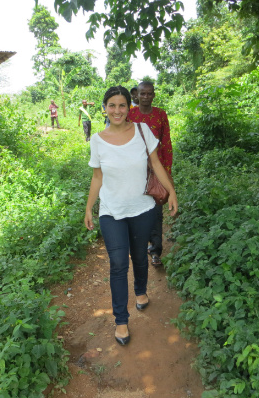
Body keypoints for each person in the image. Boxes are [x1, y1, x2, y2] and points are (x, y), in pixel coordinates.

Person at [84, 86, 178, 346]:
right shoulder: (97, 140)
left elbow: (156, 164)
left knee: (139, 256)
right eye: (111, 105)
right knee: (117, 263)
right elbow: (97, 177)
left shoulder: (142, 131)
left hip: (142, 208)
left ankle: (140, 290)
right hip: (111, 212)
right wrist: (89, 208)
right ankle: (121, 320)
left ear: (129, 107)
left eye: (122, 105)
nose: (117, 110)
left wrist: (171, 191)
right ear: (105, 107)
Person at [127, 82, 173, 267]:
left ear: (154, 95)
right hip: (134, 170)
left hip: (156, 169)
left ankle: (155, 251)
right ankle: (139, 245)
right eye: (142, 93)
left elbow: (166, 143)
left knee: (156, 211)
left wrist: (167, 172)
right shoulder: (130, 115)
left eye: (149, 93)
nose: (145, 97)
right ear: (136, 95)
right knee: (136, 209)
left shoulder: (161, 115)